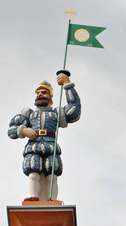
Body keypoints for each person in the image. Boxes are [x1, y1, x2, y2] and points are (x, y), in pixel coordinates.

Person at [8, 71, 81, 201]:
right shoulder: (29, 114)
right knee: (33, 173)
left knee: (52, 175)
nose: (40, 94)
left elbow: (74, 110)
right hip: (33, 145)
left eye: (44, 92)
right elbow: (11, 130)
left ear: (50, 96)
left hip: (50, 145)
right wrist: (24, 131)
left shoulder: (56, 113)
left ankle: (52, 199)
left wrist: (67, 84)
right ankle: (33, 197)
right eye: (38, 93)